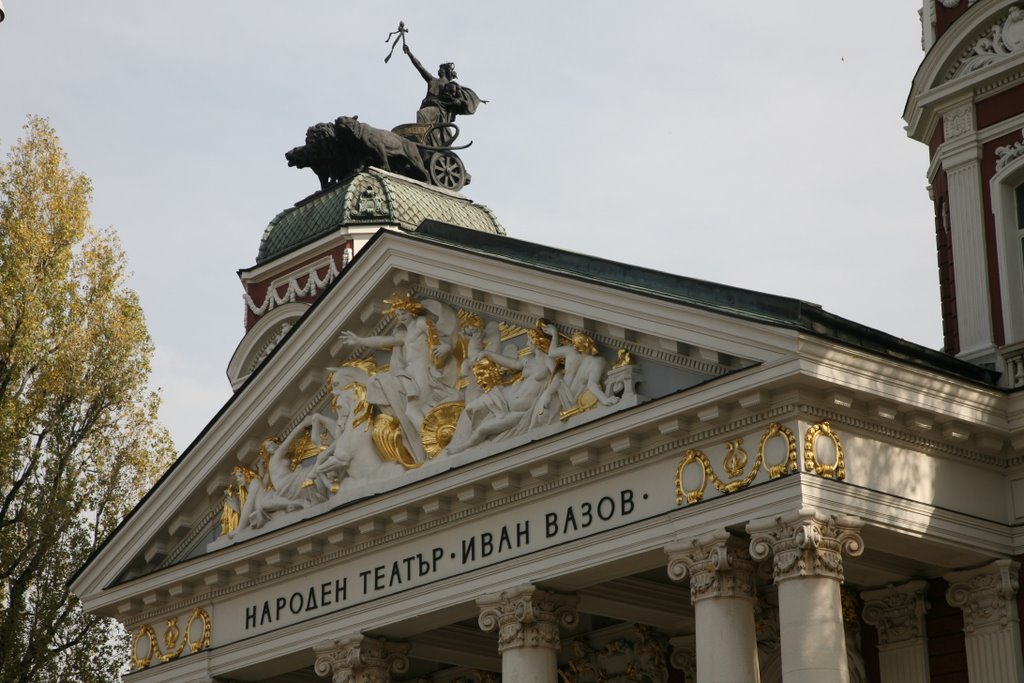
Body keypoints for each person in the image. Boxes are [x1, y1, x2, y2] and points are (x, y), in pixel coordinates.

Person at [404, 44, 484, 143]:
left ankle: (421, 138)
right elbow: (420, 67)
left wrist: (453, 101)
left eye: (441, 69)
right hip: (428, 106)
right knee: (422, 113)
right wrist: (409, 54)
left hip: (439, 110)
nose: (439, 70)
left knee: (421, 114)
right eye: (439, 69)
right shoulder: (432, 80)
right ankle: (424, 137)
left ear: (446, 71)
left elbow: (458, 101)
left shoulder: (451, 85)